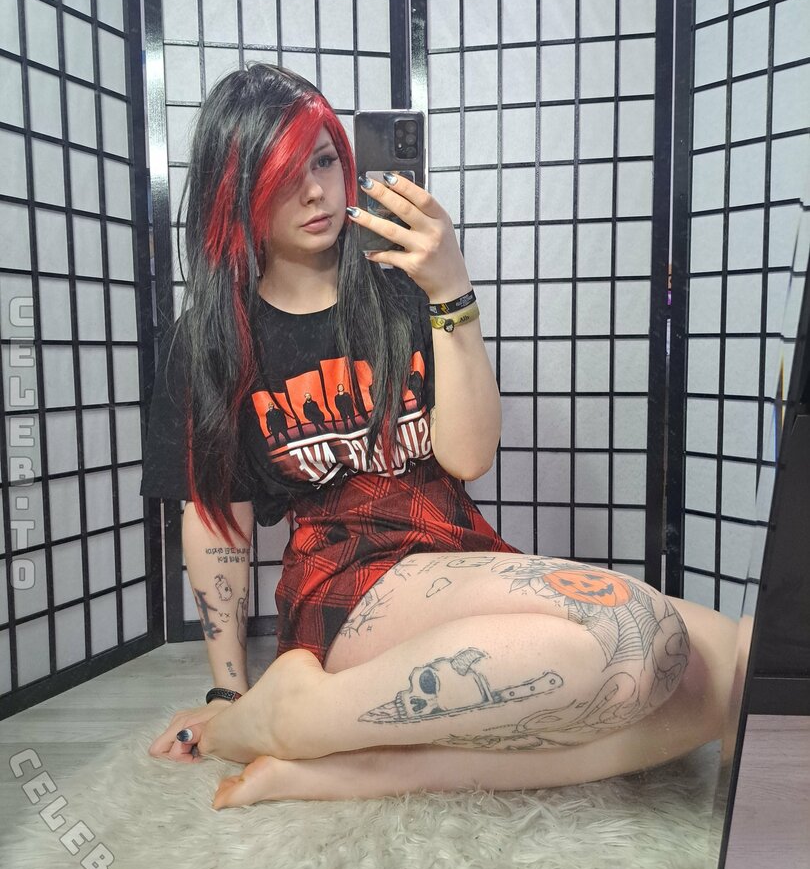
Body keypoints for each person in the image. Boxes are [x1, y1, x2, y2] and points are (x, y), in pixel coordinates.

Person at [144, 63, 742, 810]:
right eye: (281, 176)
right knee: (635, 640)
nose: (316, 192)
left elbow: (466, 455)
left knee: (731, 670)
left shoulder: (402, 288)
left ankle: (344, 755)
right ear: (235, 193)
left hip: (452, 544)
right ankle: (274, 715)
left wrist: (451, 289)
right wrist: (227, 692)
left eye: (324, 160)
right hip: (345, 575)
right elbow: (216, 525)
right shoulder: (211, 341)